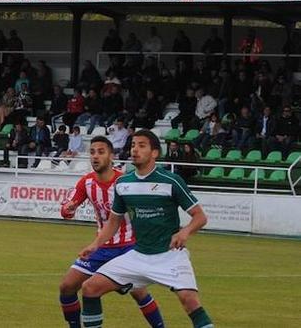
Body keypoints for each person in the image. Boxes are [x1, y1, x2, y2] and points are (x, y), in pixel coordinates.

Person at [79, 130, 213, 328]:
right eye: (133, 145)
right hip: (138, 256)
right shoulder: (123, 183)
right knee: (90, 288)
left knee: (190, 301)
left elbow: (200, 217)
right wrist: (95, 245)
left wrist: (184, 232)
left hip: (170, 256)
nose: (135, 150)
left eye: (142, 146)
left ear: (154, 153)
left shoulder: (170, 181)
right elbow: (114, 222)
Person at [59, 136, 165, 328]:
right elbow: (66, 208)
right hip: (101, 247)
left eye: (101, 152)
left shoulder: (125, 182)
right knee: (67, 286)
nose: (95, 156)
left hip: (129, 247)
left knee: (138, 292)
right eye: (92, 152)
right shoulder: (86, 182)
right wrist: (69, 208)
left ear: (111, 156)